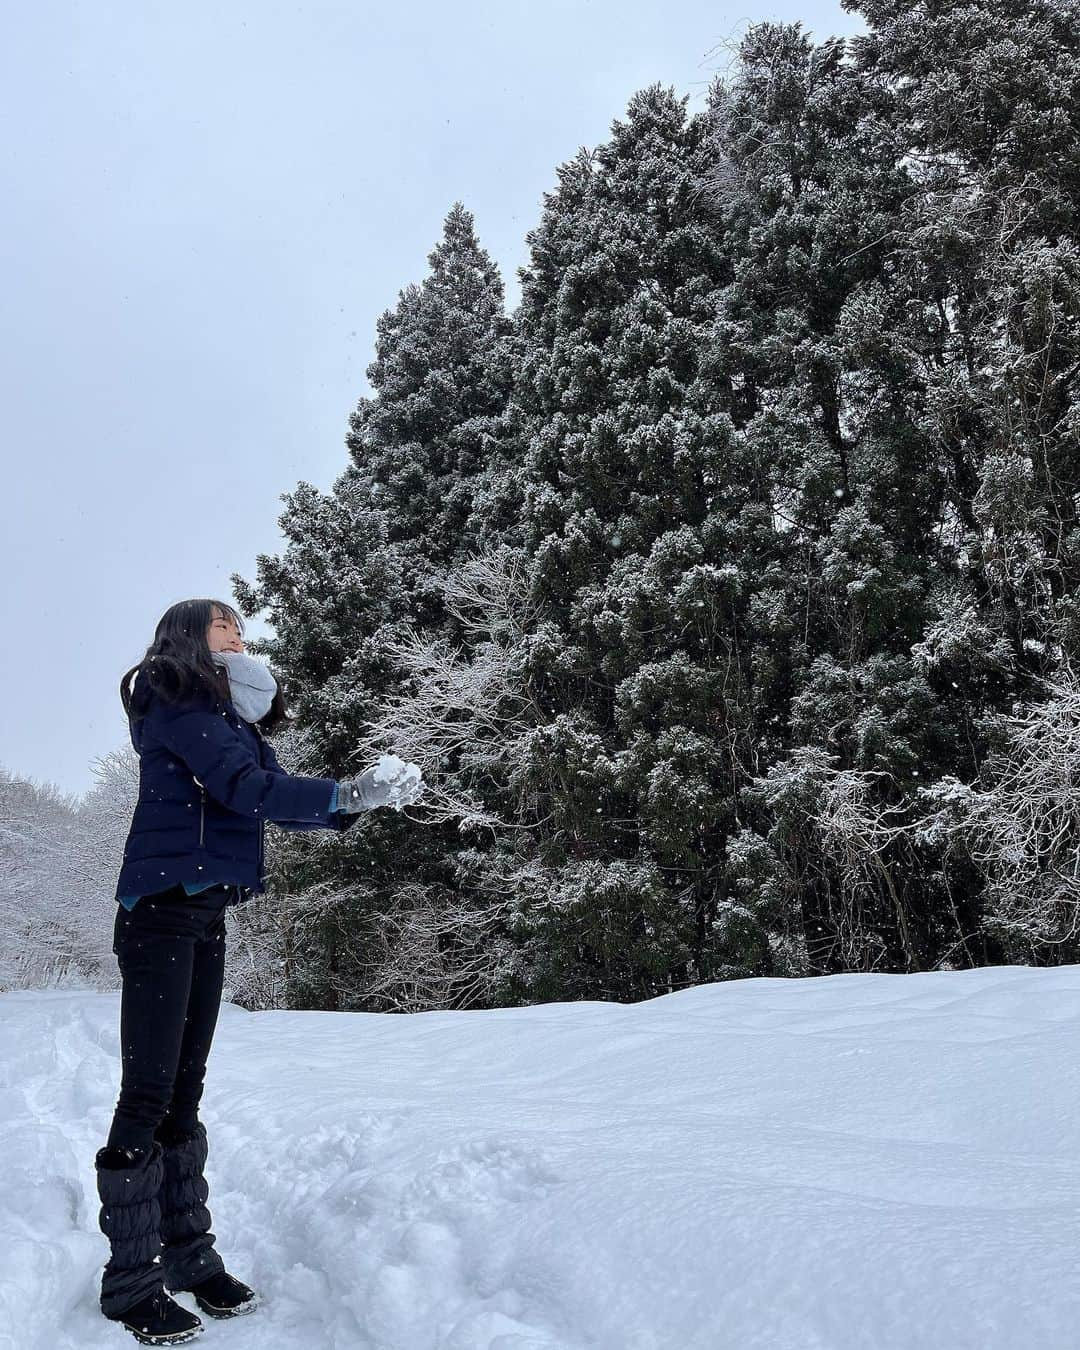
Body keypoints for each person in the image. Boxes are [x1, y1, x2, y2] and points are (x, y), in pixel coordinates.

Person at [93, 597, 424, 1346]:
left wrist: (359, 800)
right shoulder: (174, 700)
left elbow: (270, 792)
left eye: (242, 628)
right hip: (159, 911)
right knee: (148, 1091)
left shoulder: (229, 722)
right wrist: (344, 793)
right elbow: (246, 788)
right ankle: (130, 1283)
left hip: (205, 910)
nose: (239, 638)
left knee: (186, 1088)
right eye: (224, 627)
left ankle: (188, 1258)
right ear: (188, 637)